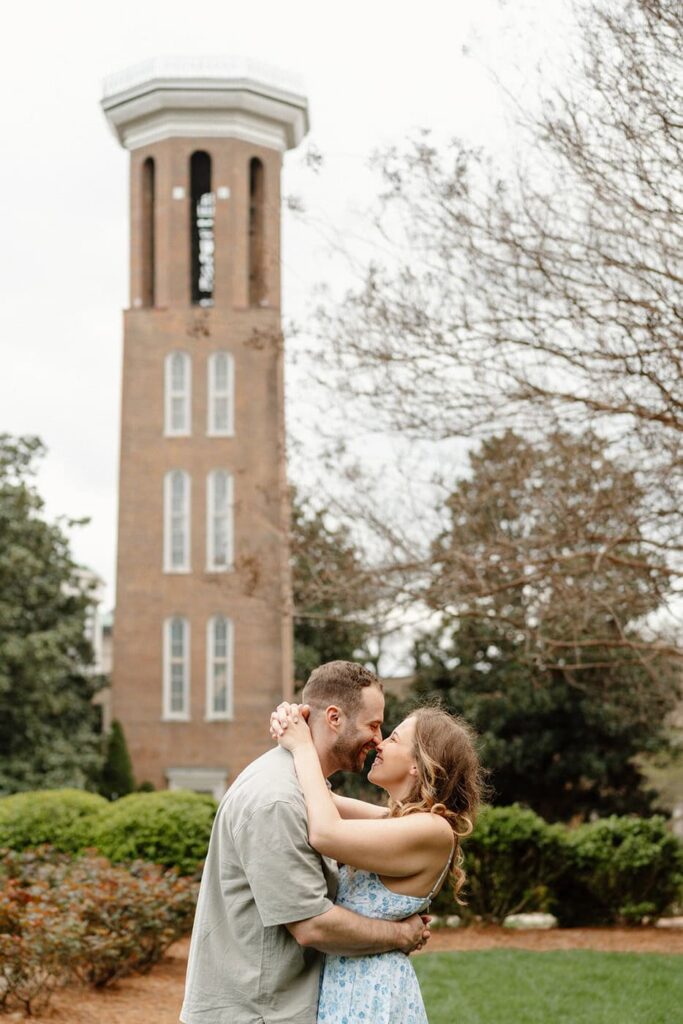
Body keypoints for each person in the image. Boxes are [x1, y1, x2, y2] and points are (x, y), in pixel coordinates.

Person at [180, 661, 431, 1024]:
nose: (378, 739)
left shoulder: (302, 787)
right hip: (255, 1014)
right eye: (373, 725)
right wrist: (400, 934)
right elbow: (312, 925)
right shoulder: (277, 800)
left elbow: (390, 827)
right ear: (334, 718)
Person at [270, 700, 484, 1024]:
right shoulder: (396, 821)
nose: (379, 744)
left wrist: (302, 748)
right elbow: (323, 799)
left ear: (418, 764)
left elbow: (325, 833)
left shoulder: (433, 830)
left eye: (394, 738)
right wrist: (297, 722)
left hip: (371, 994)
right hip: (348, 986)